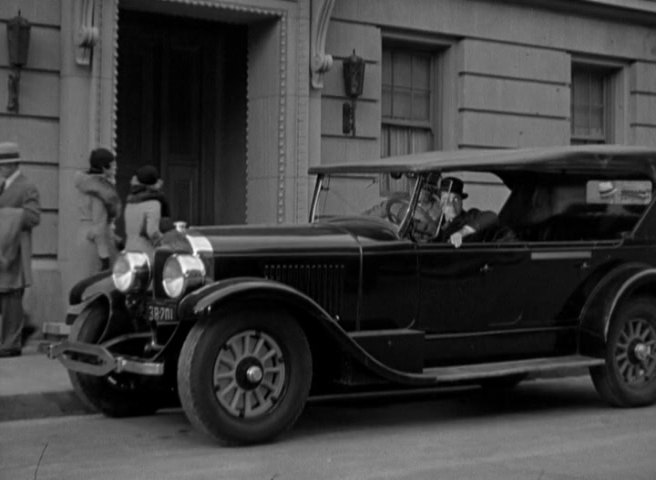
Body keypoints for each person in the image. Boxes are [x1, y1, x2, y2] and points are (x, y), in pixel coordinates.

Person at [0, 142, 41, 357]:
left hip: (16, 249)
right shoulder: (1, 184)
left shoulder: (27, 186)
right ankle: (23, 327)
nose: (1, 169)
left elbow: (34, 216)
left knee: (11, 298)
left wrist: (8, 216)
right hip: (2, 247)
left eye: (4, 165)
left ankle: (11, 343)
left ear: (14, 164)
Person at [74, 148, 122, 275]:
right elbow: (98, 225)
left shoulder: (85, 185)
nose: (115, 168)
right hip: (96, 245)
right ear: (104, 167)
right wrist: (104, 257)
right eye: (112, 165)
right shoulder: (100, 190)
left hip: (83, 238)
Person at [123, 165, 172, 258]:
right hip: (145, 253)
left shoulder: (130, 202)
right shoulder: (153, 204)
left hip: (129, 250)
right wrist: (166, 244)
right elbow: (152, 232)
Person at [436, 176, 498, 248]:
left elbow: (491, 216)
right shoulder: (436, 223)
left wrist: (462, 232)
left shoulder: (470, 217)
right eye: (446, 198)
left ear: (461, 202)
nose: (451, 203)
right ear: (440, 202)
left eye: (455, 198)